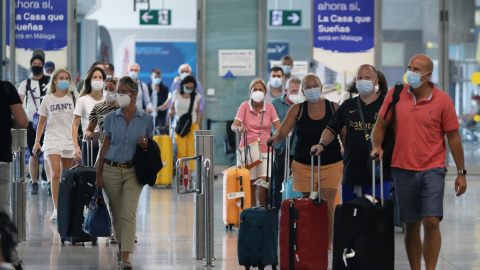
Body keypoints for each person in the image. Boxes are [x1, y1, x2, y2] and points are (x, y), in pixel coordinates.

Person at [371, 54, 467, 270]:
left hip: (432, 168)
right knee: (411, 225)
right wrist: (376, 146)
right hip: (402, 169)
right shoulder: (395, 95)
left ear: (428, 75)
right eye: (409, 68)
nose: (411, 73)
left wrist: (461, 172)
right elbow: (379, 126)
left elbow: (453, 137)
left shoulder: (443, 100)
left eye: (416, 69)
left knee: (431, 221)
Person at [267, 73, 343, 251]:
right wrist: (274, 138)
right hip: (303, 164)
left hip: (331, 163)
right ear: (303, 91)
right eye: (307, 87)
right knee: (308, 204)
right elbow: (282, 131)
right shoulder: (298, 109)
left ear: (322, 87)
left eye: (315, 85)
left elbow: (344, 134)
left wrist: (348, 153)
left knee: (327, 205)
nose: (312, 89)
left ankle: (326, 245)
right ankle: (309, 243)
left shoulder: (334, 108)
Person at [96, 76, 154, 269]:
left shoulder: (146, 119)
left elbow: (151, 148)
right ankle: (121, 249)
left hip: (133, 172)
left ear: (134, 94)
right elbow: (104, 147)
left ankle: (126, 256)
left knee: (129, 214)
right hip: (110, 170)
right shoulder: (110, 118)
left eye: (123, 91)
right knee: (116, 214)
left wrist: (145, 146)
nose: (118, 95)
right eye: (117, 92)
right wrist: (98, 173)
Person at [311, 65, 391, 203]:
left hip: (379, 173)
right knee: (351, 217)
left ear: (376, 81)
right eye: (359, 78)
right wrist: (321, 144)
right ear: (355, 81)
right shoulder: (348, 105)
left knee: (377, 217)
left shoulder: (386, 104)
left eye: (367, 78)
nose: (362, 81)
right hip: (352, 172)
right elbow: (332, 128)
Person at [32, 69, 79, 221]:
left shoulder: (74, 97)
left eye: (66, 78)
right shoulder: (48, 99)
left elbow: (80, 118)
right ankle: (57, 209)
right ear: (54, 80)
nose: (64, 80)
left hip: (68, 139)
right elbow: (41, 122)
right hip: (51, 139)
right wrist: (37, 142)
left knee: (65, 176)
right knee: (55, 174)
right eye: (61, 78)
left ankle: (65, 206)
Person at [232, 78, 281, 207]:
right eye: (255, 90)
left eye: (261, 90)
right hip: (248, 151)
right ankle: (252, 213)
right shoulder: (244, 106)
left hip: (266, 151)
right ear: (250, 92)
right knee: (250, 185)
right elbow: (234, 125)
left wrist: (277, 135)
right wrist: (239, 128)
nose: (258, 92)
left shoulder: (270, 107)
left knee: (265, 182)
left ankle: (262, 210)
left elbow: (278, 127)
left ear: (265, 92)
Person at [17, 53, 51, 195]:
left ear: (43, 65)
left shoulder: (49, 81)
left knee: (48, 152)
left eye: (39, 64)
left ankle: (50, 181)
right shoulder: (26, 83)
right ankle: (34, 182)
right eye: (34, 64)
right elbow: (19, 101)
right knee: (33, 153)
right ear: (31, 65)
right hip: (32, 122)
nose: (37, 66)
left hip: (48, 122)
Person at [270, 77, 301, 208]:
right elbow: (271, 124)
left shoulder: (303, 104)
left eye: (298, 91)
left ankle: (296, 208)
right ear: (286, 90)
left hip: (298, 149)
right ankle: (277, 209)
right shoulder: (275, 103)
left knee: (298, 182)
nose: (296, 94)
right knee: (278, 183)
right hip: (280, 150)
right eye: (293, 91)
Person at [0, 80, 28, 212]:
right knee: (2, 207)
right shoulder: (6, 88)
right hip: (2, 156)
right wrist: (5, 122)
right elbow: (22, 121)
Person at [168, 75, 202, 176]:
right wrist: (170, 112)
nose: (189, 90)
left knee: (191, 151)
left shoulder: (196, 96)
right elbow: (172, 107)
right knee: (181, 151)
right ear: (183, 85)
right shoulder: (176, 94)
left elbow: (198, 111)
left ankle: (190, 176)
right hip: (179, 126)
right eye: (187, 87)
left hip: (192, 126)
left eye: (191, 88)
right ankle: (182, 175)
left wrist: (197, 123)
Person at [72, 67, 106, 164]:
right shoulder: (82, 100)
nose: (98, 80)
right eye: (95, 77)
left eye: (100, 77)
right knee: (89, 175)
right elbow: (75, 124)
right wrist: (76, 146)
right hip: (89, 143)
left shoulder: (108, 100)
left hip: (106, 142)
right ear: (89, 80)